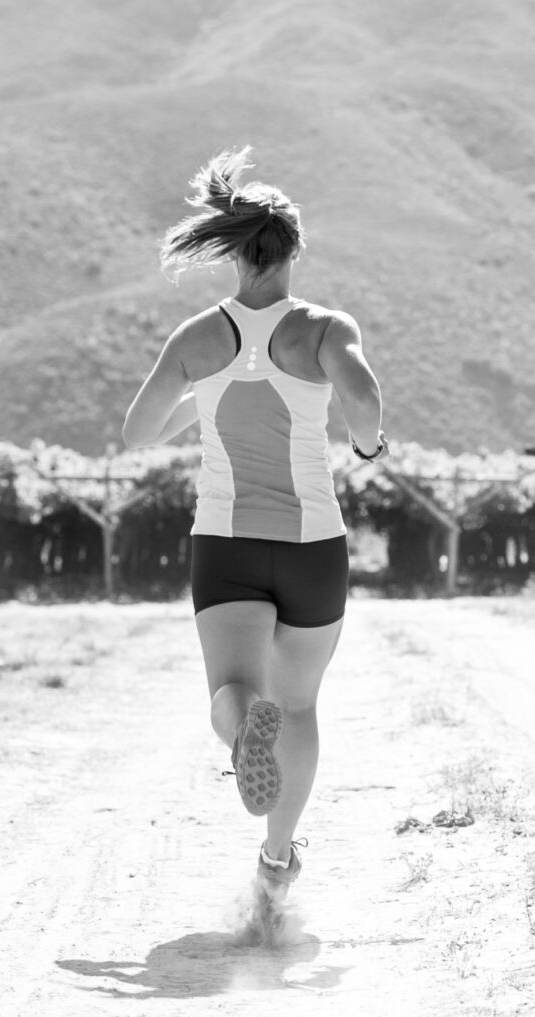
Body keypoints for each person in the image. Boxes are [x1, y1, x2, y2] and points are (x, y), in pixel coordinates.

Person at [122, 147, 384, 911]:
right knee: (298, 707)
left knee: (233, 691)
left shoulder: (198, 338)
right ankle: (276, 856)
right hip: (313, 546)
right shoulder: (325, 328)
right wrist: (367, 443)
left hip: (227, 544)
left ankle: (243, 734)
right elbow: (364, 399)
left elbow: (139, 433)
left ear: (232, 252)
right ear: (293, 250)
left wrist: (201, 398)